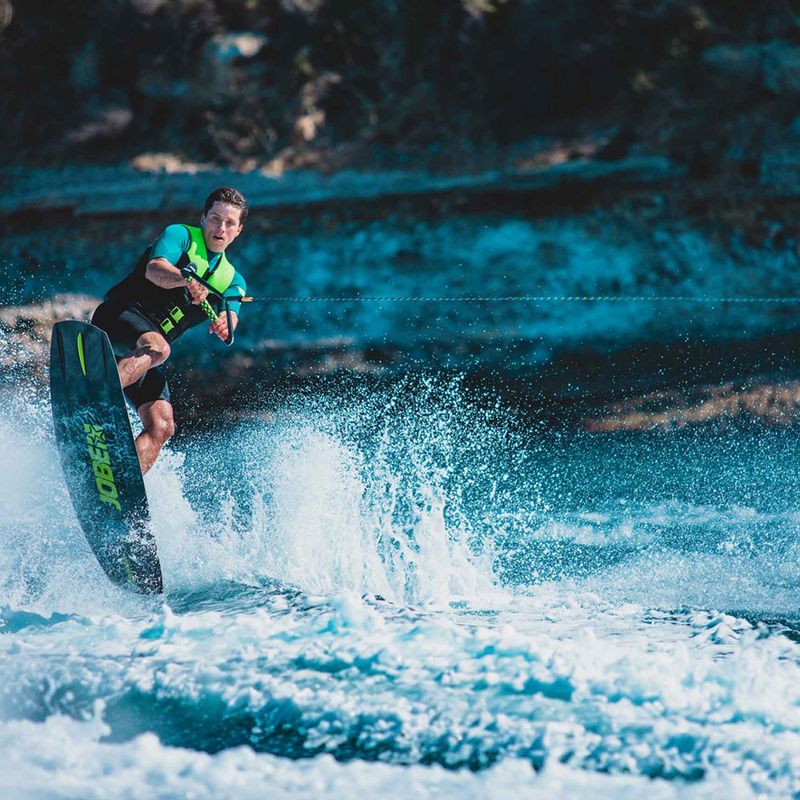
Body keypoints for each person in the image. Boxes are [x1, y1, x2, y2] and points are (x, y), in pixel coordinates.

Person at [92, 186, 248, 475]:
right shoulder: (180, 236)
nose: (221, 228)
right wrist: (185, 280)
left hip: (142, 358)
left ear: (238, 230)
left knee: (163, 424)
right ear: (203, 218)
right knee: (160, 348)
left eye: (229, 223)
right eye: (215, 219)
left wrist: (226, 325)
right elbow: (155, 269)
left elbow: (232, 316)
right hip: (119, 318)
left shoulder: (233, 280)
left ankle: (122, 482)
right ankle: (93, 395)